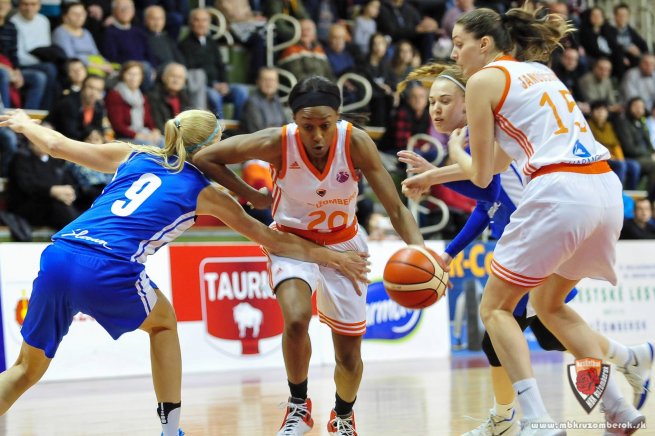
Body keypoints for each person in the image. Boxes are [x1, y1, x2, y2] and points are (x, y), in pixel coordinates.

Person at [0, 108, 369, 436]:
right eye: (220, 144)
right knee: (163, 324)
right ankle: (171, 429)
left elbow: (58, 146)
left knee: (25, 370)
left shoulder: (133, 154)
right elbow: (272, 239)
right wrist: (334, 258)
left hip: (60, 253)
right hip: (108, 265)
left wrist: (23, 123)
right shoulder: (205, 193)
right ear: (209, 149)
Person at [399, 63, 654, 436]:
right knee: (551, 326)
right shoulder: (504, 126)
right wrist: (434, 176)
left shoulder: (488, 129)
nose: (435, 109)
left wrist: (449, 158)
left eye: (445, 100)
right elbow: (489, 195)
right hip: (564, 219)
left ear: (469, 104)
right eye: (432, 102)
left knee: (504, 328)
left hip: (548, 228)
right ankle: (624, 374)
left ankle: (516, 417)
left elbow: (485, 186)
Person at [193, 75, 426, 436]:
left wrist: (420, 252)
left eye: (325, 126)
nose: (317, 136)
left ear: (338, 118)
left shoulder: (356, 143)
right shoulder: (276, 142)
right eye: (307, 127)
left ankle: (343, 416)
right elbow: (206, 156)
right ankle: (298, 407)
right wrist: (249, 194)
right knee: (297, 318)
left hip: (344, 246)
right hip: (292, 244)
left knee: (348, 355)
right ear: (294, 122)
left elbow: (395, 208)